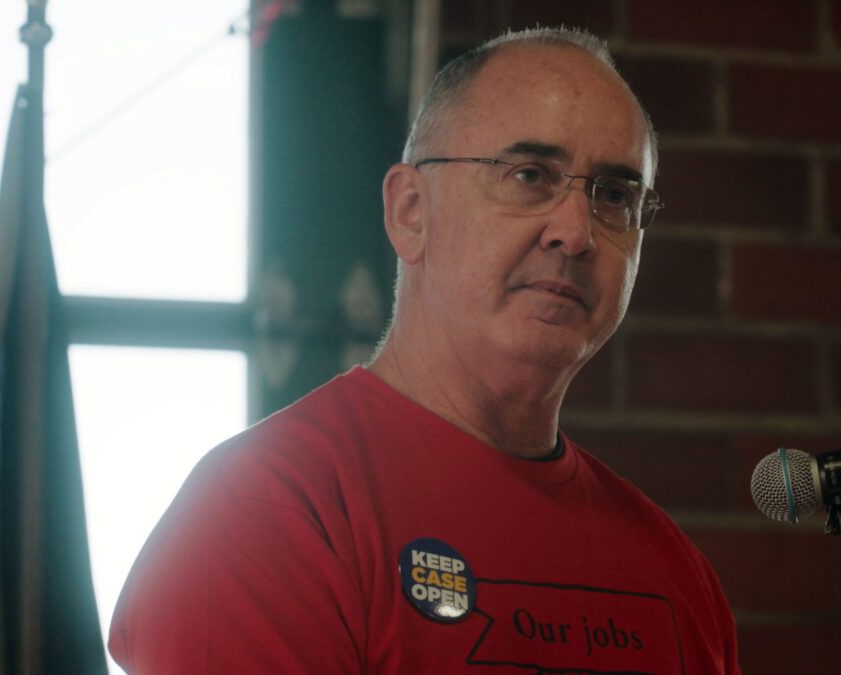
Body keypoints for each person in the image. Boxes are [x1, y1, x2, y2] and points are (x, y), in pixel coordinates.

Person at [109, 27, 740, 674]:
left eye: (614, 195)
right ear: (411, 211)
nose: (576, 232)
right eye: (529, 175)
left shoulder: (671, 567)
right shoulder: (264, 508)